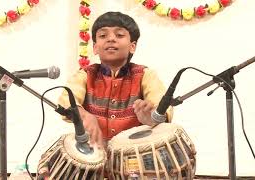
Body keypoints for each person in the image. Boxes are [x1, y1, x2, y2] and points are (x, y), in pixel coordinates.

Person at [58, 11, 173, 147]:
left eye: (119, 35)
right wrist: (84, 115)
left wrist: (152, 117)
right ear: (95, 47)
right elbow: (66, 100)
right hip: (95, 152)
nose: (111, 39)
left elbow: (163, 106)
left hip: (134, 154)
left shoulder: (144, 75)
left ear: (132, 46)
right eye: (103, 35)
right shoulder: (86, 74)